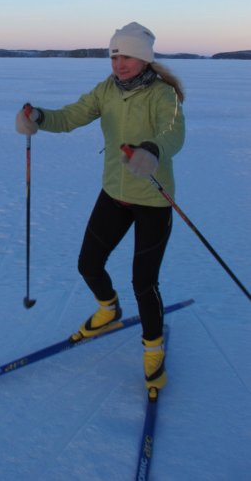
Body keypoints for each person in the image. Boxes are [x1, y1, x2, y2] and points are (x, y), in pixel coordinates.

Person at [15, 22, 185, 392]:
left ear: (143, 58)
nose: (119, 64)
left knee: (144, 281)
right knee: (88, 264)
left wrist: (152, 151)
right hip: (114, 193)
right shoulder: (106, 90)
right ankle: (108, 310)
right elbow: (71, 116)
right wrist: (39, 118)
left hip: (153, 200)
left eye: (127, 56)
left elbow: (172, 133)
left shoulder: (163, 95)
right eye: (114, 56)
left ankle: (153, 351)